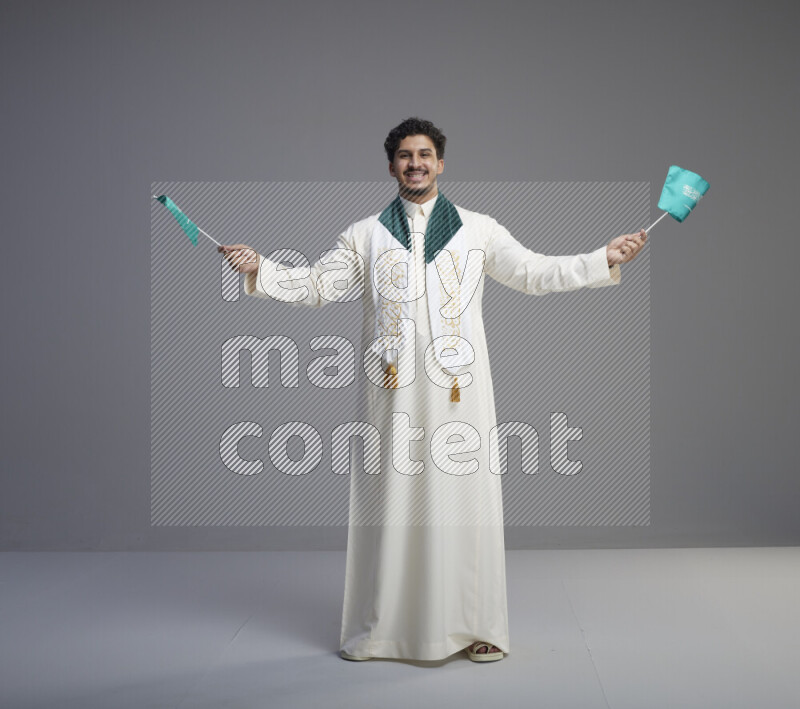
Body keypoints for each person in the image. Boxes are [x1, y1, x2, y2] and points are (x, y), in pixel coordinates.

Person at [219, 117, 647, 663]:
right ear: (391, 165)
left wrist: (601, 259)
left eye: (424, 154)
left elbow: (534, 273)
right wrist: (262, 268)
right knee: (390, 505)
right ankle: (384, 629)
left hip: (459, 393)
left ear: (441, 163)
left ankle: (477, 626)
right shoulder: (364, 235)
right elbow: (319, 285)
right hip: (390, 392)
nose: (415, 163)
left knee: (465, 505)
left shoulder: (479, 229)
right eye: (404, 155)